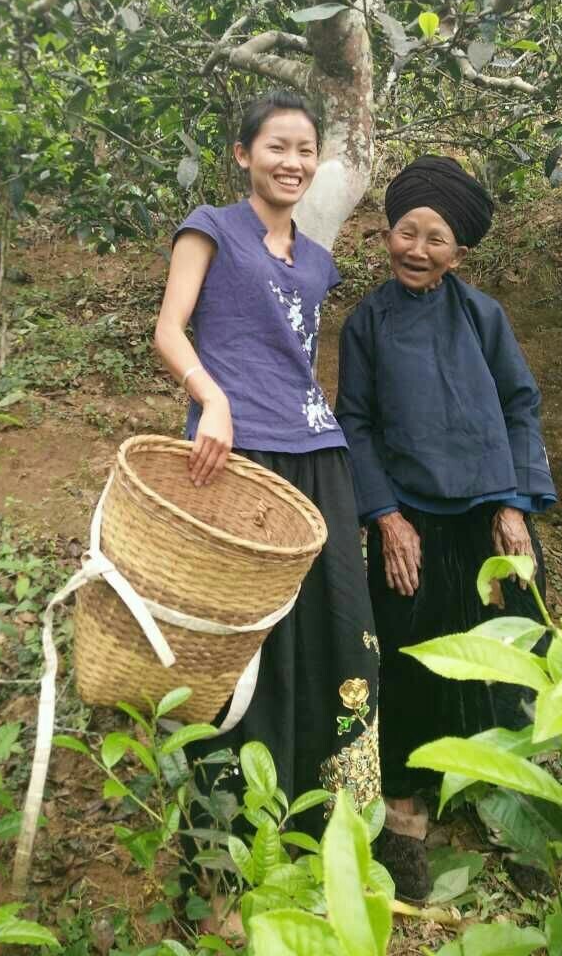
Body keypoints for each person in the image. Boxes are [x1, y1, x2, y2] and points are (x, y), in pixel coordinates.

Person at [154, 88, 381, 839]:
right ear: (243, 154)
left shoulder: (318, 262)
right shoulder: (209, 229)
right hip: (235, 457)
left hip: (319, 457)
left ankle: (331, 827)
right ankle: (224, 841)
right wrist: (210, 399)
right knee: (238, 642)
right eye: (278, 146)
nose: (293, 161)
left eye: (305, 149)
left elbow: (297, 359)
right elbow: (169, 330)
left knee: (335, 630)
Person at [335, 155, 556, 883]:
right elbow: (357, 425)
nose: (418, 250)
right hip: (413, 529)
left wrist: (515, 504)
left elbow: (519, 406)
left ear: (460, 253)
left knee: (500, 662)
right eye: (407, 232)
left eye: (436, 239)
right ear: (385, 235)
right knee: (411, 666)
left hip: (490, 521)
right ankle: (405, 816)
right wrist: (386, 518)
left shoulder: (484, 317)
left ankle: (511, 809)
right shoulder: (367, 323)